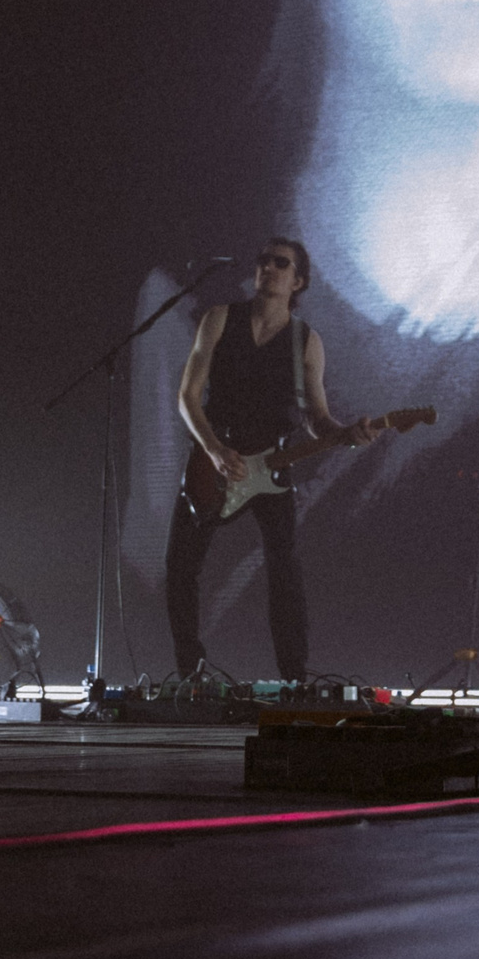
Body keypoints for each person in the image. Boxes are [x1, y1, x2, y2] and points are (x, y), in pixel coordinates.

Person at [165, 237, 377, 680]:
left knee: (285, 568)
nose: (268, 268)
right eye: (263, 261)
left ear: (298, 281)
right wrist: (214, 450)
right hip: (215, 456)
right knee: (181, 567)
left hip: (274, 467)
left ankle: (294, 677)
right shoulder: (220, 318)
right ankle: (190, 675)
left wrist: (346, 434)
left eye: (281, 264)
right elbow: (187, 397)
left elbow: (317, 419)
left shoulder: (306, 341)